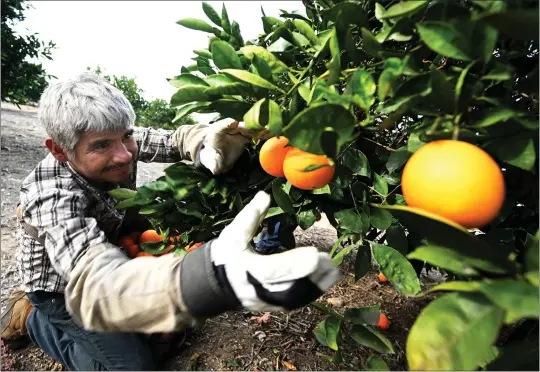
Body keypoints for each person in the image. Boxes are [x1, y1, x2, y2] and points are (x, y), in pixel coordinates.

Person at [0, 72, 339, 371]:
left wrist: (206, 143)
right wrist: (210, 279)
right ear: (60, 150)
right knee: (134, 365)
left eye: (126, 136)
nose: (124, 154)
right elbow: (96, 281)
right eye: (101, 146)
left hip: (108, 238)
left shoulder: (119, 144)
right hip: (61, 287)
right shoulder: (50, 196)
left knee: (158, 316)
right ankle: (32, 319)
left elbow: (171, 139)